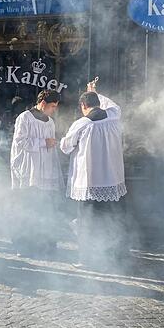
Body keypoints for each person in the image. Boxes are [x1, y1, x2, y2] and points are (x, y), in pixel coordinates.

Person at [59, 78, 126, 268]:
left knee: (87, 223)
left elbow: (65, 146)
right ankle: (113, 258)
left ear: (83, 105)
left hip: (89, 183)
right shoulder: (113, 116)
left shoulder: (82, 123)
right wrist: (95, 91)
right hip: (111, 180)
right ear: (98, 103)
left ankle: (87, 260)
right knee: (110, 220)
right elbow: (112, 105)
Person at [10, 89, 62, 255]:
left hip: (45, 173)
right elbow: (19, 142)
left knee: (45, 210)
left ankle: (44, 245)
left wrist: (51, 145)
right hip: (29, 172)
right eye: (52, 106)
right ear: (43, 103)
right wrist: (43, 142)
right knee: (27, 210)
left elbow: (49, 147)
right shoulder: (25, 117)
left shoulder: (50, 122)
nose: (54, 110)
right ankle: (23, 246)